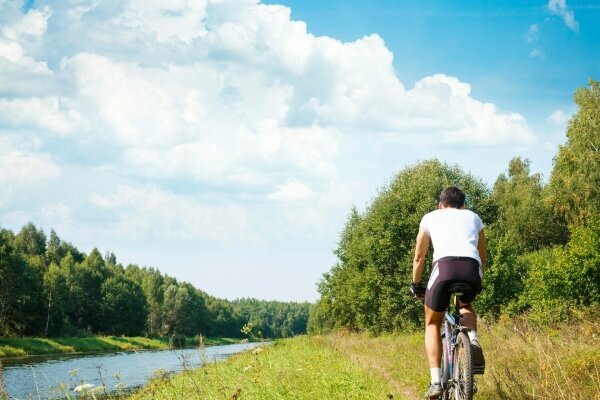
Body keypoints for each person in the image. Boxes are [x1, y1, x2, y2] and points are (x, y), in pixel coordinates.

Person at [410, 186, 486, 399]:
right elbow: (482, 255)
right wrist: (479, 280)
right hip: (472, 270)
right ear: (464, 205)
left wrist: (417, 284)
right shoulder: (474, 217)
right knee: (465, 305)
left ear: (440, 205)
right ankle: (472, 338)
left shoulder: (430, 217)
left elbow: (419, 256)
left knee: (432, 322)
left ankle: (436, 382)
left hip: (444, 270)